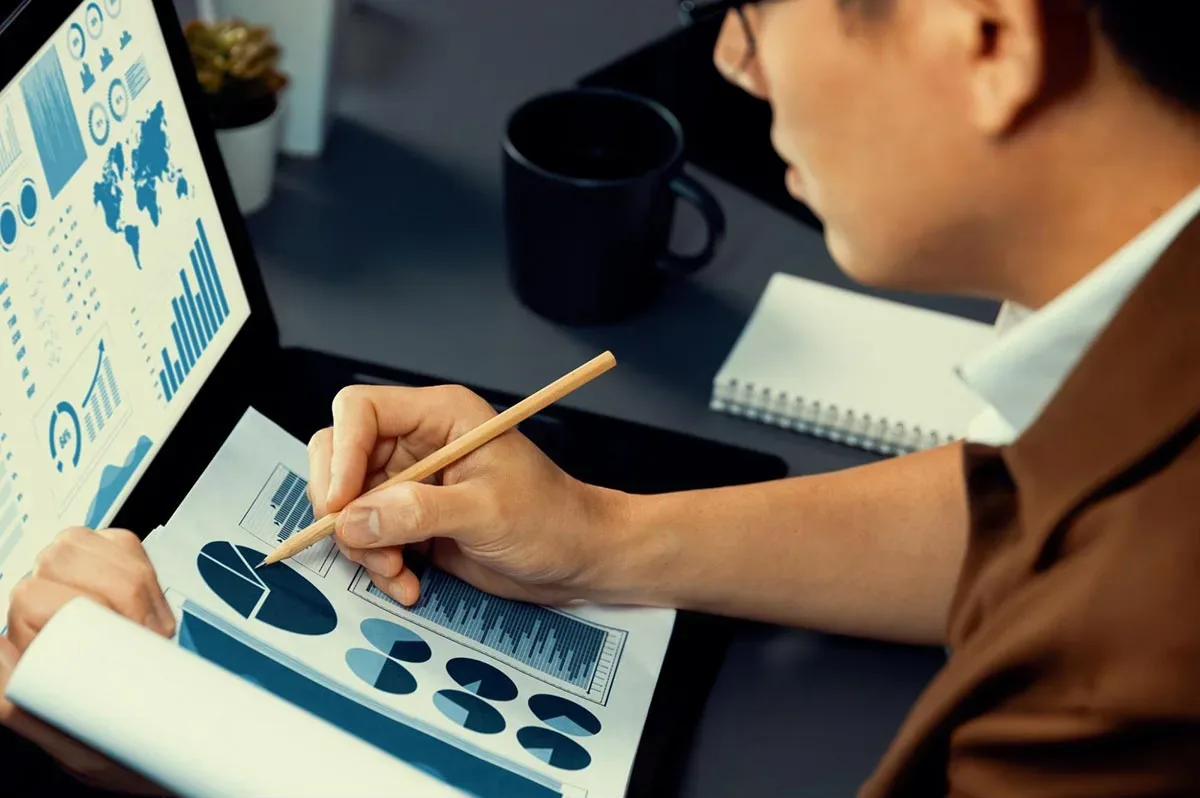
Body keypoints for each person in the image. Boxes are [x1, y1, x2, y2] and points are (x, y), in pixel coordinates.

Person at [3, 0, 1199, 794]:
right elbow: (1023, 507)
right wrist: (604, 538)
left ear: (985, 33)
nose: (734, 58)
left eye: (756, 6)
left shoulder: (1127, 675)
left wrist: (173, 748)